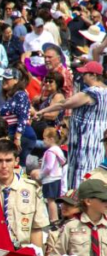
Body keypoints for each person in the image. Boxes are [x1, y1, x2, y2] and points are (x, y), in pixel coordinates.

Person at [35, 62, 107, 191]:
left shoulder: (92, 92)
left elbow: (65, 103)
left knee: (79, 179)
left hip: (83, 142)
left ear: (94, 75)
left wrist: (42, 111)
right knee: (93, 176)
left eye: (85, 74)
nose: (82, 76)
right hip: (97, 142)